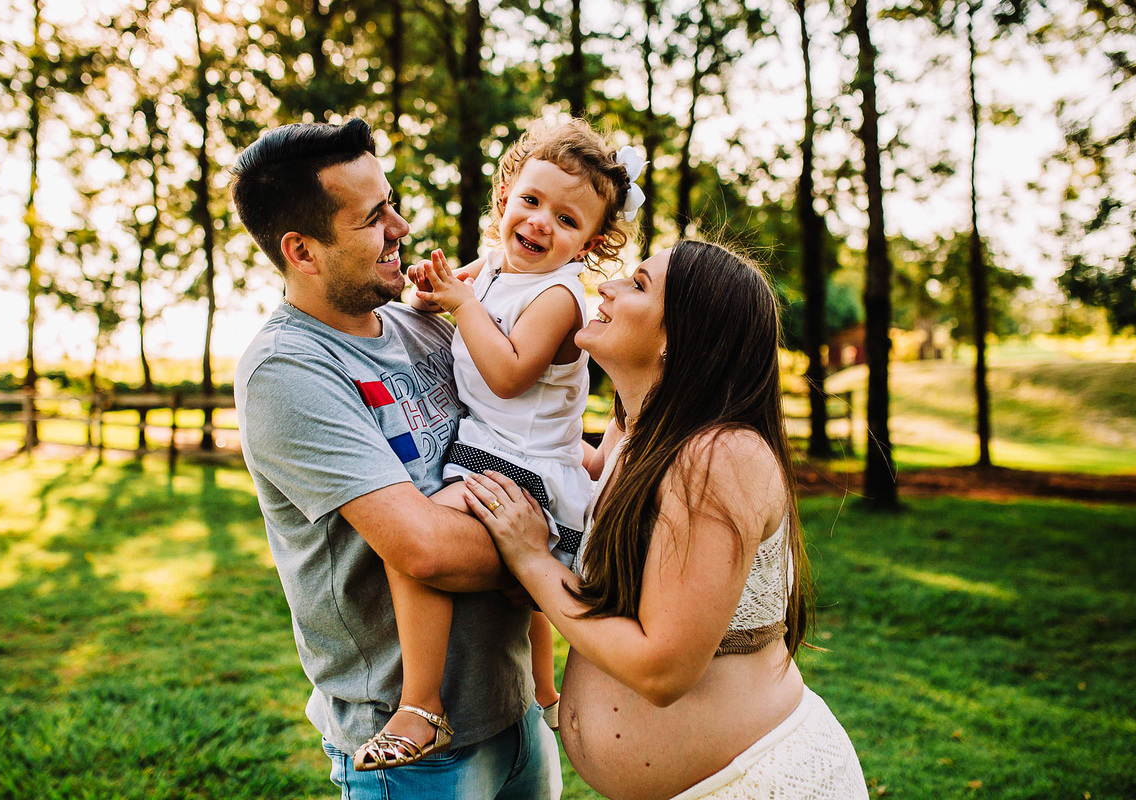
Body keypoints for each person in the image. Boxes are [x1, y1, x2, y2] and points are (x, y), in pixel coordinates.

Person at [463, 240, 869, 800]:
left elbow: (662, 670)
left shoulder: (718, 456)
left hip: (753, 785)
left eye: (638, 286)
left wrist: (533, 562)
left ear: (679, 339)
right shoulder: (633, 440)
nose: (604, 287)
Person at [230, 119, 560, 799]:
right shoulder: (287, 368)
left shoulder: (425, 324)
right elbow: (429, 550)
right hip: (415, 756)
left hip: (514, 708)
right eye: (374, 217)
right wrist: (552, 550)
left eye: (393, 202)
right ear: (303, 250)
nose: (402, 226)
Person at [354, 118, 646, 770]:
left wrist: (461, 304)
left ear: (590, 243)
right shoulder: (488, 265)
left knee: (415, 544)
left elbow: (509, 373)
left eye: (567, 220)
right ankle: (543, 690)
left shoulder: (560, 297)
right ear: (506, 196)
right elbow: (440, 300)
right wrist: (435, 292)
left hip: (530, 467)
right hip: (487, 449)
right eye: (533, 202)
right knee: (513, 587)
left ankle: (420, 708)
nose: (542, 223)